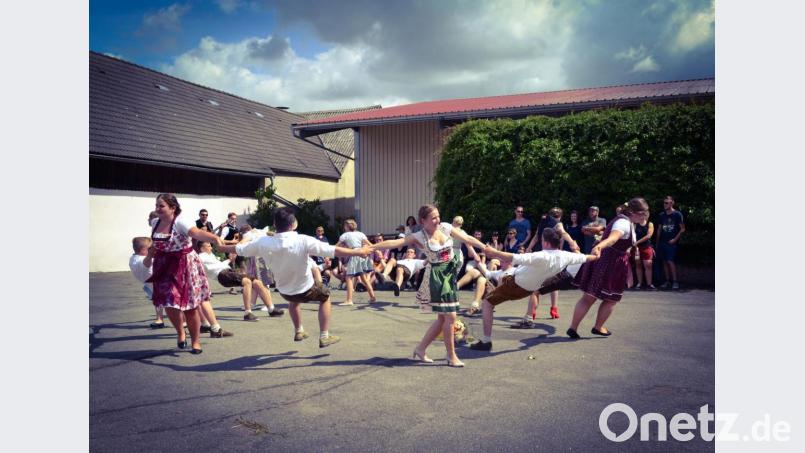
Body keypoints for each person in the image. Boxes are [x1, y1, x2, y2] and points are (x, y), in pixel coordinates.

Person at [219, 208, 371, 348]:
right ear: (293, 224)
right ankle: (324, 335)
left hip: (284, 291)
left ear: (274, 224)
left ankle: (299, 330)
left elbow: (239, 249)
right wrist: (358, 252)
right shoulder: (303, 240)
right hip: (305, 288)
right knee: (325, 296)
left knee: (293, 300)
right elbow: (333, 250)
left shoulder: (262, 242)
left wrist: (221, 247)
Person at [370, 204, 487, 367]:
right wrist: (371, 246)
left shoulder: (446, 227)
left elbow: (467, 239)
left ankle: (420, 349)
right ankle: (451, 355)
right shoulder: (419, 236)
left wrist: (484, 247)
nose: (437, 220)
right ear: (423, 221)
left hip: (450, 274)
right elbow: (394, 243)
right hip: (437, 277)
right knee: (451, 317)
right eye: (433, 218)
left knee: (442, 319)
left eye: (438, 216)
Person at [469, 228, 596, 351]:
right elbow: (586, 257)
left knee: (487, 303)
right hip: (530, 289)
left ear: (545, 242)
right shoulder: (566, 256)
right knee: (513, 284)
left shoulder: (541, 256)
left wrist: (493, 252)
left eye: (541, 239)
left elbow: (513, 257)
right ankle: (527, 318)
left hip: (515, 285)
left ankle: (486, 341)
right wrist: (597, 253)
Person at [145, 193, 233, 355]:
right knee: (169, 304)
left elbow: (196, 233)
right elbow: (154, 239)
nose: (157, 209)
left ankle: (196, 341)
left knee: (190, 306)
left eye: (161, 206)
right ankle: (180, 332)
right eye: (156, 205)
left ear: (173, 208)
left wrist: (214, 238)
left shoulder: (180, 222)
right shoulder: (155, 222)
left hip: (184, 265)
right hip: (164, 266)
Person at [567, 198, 650, 339]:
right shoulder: (623, 223)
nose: (644, 217)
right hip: (612, 263)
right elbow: (613, 238)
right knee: (611, 298)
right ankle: (598, 327)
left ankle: (573, 328)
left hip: (605, 260)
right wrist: (599, 246)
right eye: (643, 213)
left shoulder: (624, 221)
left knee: (589, 297)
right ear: (633, 212)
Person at [197, 241, 285, 320]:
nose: (211, 247)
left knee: (257, 282)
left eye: (210, 245)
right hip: (222, 275)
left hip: (228, 271)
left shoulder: (210, 256)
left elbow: (220, 264)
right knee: (247, 281)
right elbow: (200, 268)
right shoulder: (201, 256)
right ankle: (248, 313)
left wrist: (230, 260)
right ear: (202, 248)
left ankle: (271, 309)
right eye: (208, 246)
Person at [336, 219, 377, 306]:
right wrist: (377, 251)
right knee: (364, 279)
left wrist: (326, 253)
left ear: (347, 226)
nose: (344, 227)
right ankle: (372, 298)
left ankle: (349, 300)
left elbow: (336, 246)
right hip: (362, 254)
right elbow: (370, 244)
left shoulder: (345, 235)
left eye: (345, 226)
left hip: (355, 254)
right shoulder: (360, 234)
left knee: (349, 278)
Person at [128, 236, 166, 328]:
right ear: (143, 249)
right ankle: (184, 322)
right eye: (150, 248)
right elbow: (146, 263)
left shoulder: (133, 258)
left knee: (158, 301)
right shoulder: (143, 260)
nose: (153, 250)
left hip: (151, 284)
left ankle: (160, 319)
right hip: (158, 282)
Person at [655, 195, 686, 290]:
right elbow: (659, 229)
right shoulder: (661, 215)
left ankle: (675, 282)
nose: (664, 204)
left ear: (672, 203)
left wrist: (675, 239)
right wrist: (657, 243)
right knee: (664, 261)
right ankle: (667, 281)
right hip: (662, 242)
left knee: (670, 261)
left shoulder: (677, 214)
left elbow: (683, 229)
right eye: (664, 203)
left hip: (672, 243)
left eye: (666, 203)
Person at [633, 212, 656, 290]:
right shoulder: (635, 224)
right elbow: (632, 236)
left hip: (647, 247)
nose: (645, 216)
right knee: (638, 265)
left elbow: (649, 235)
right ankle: (639, 283)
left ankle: (649, 284)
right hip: (637, 248)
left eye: (646, 214)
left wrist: (637, 242)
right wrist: (635, 246)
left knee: (648, 265)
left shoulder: (650, 224)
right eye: (643, 214)